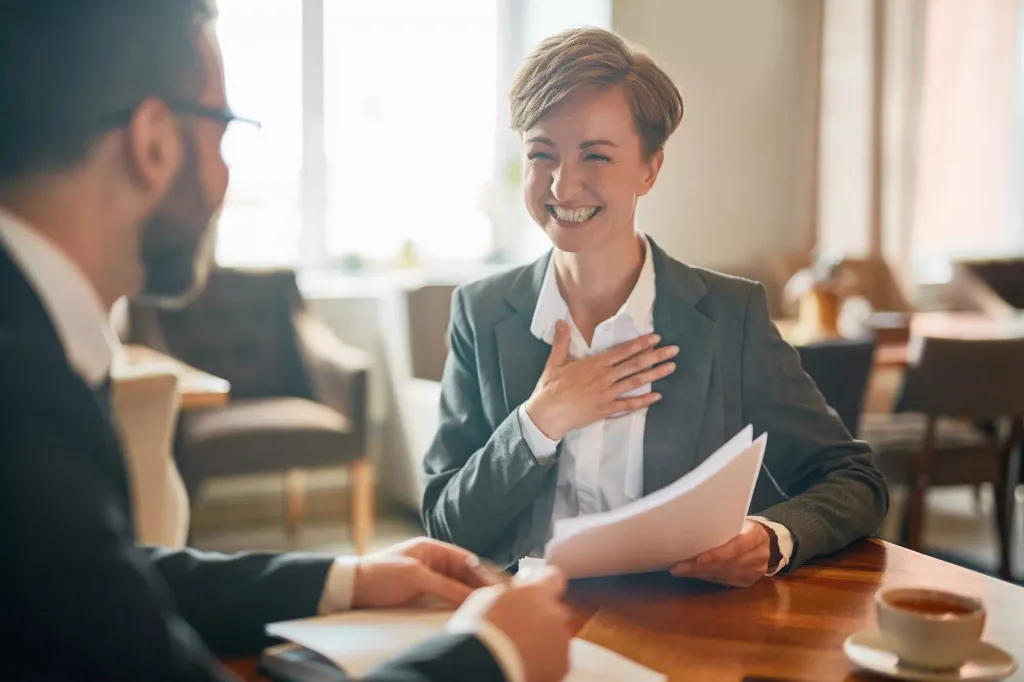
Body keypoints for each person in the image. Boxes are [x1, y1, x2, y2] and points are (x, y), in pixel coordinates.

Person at [0, 2, 571, 681]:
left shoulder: (31, 343)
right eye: (222, 129)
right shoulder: (23, 394)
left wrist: (345, 578)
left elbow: (95, 585)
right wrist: (491, 656)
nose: (226, 172)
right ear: (152, 143)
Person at [421, 27, 890, 586]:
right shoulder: (482, 311)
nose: (563, 184)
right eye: (541, 154)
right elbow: (446, 530)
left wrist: (769, 537)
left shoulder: (728, 316)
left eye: (595, 155)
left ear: (649, 169)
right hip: (523, 625)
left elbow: (854, 478)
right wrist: (538, 422)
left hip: (679, 628)